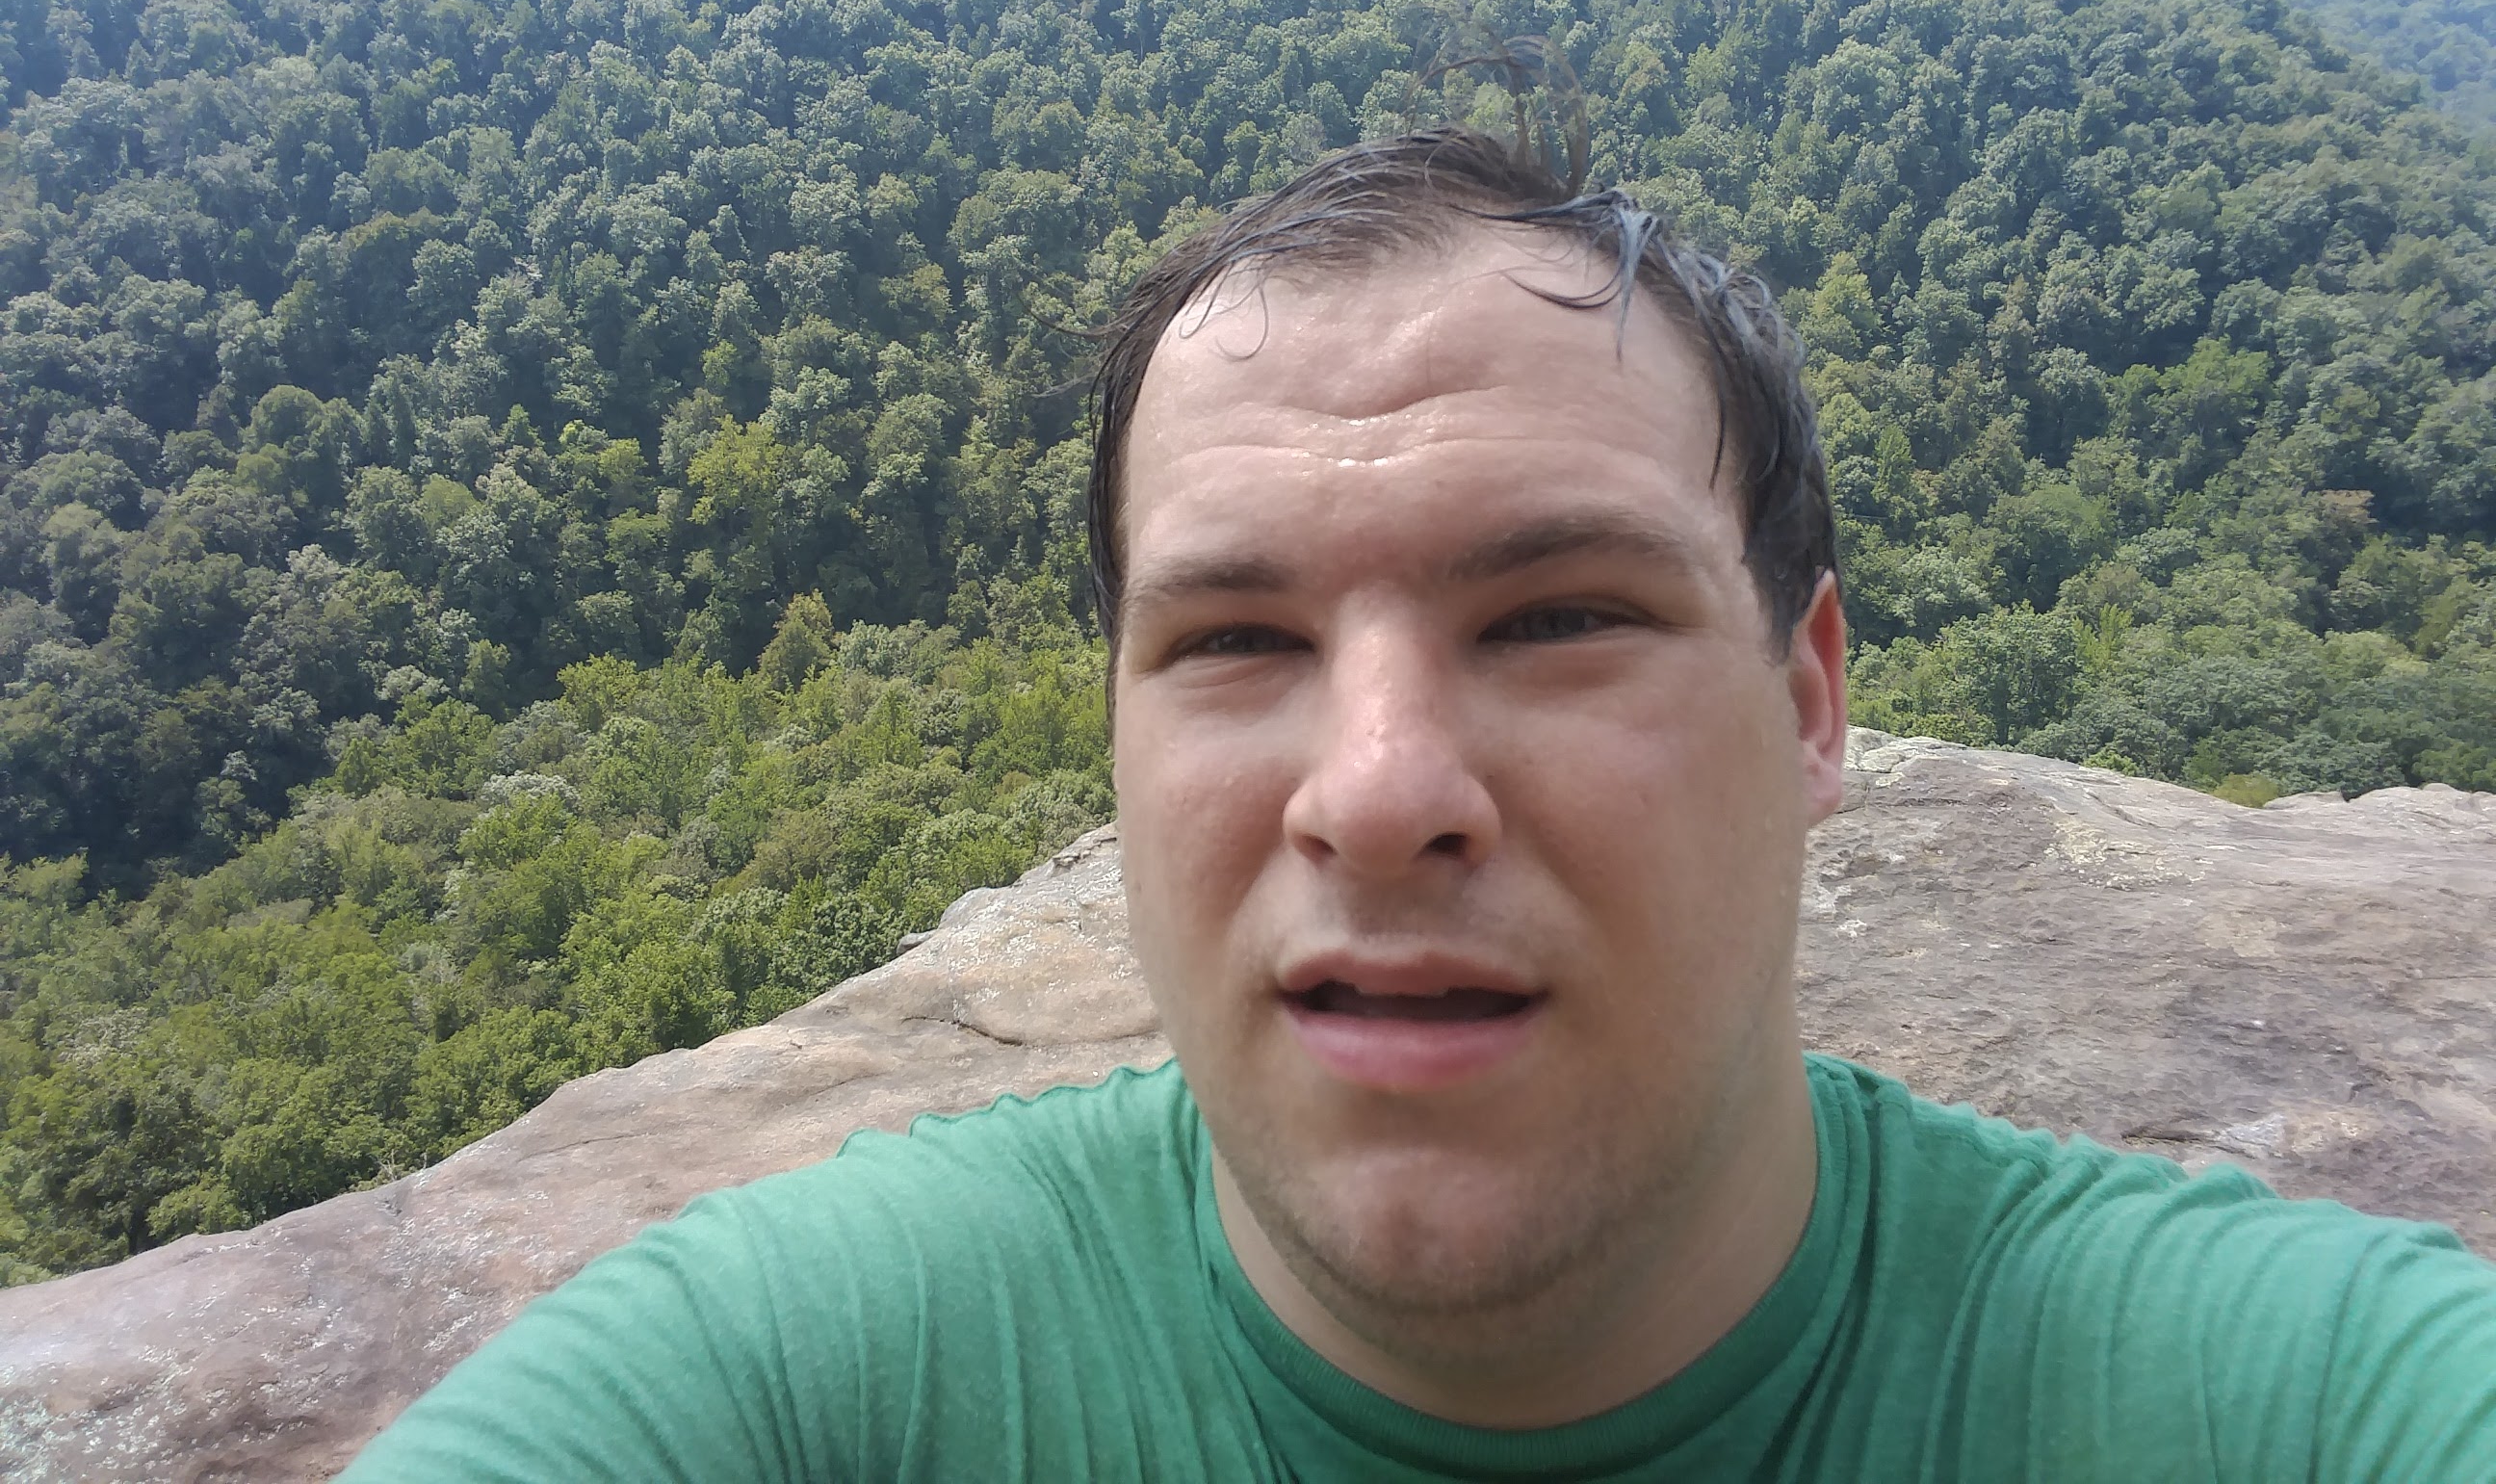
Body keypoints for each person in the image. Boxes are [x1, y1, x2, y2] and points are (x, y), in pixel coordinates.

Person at [346, 128, 2496, 1480]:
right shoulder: (805, 1386)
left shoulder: (2292, 1403)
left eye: (1558, 614)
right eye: (1236, 641)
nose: (1377, 797)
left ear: (1813, 702)